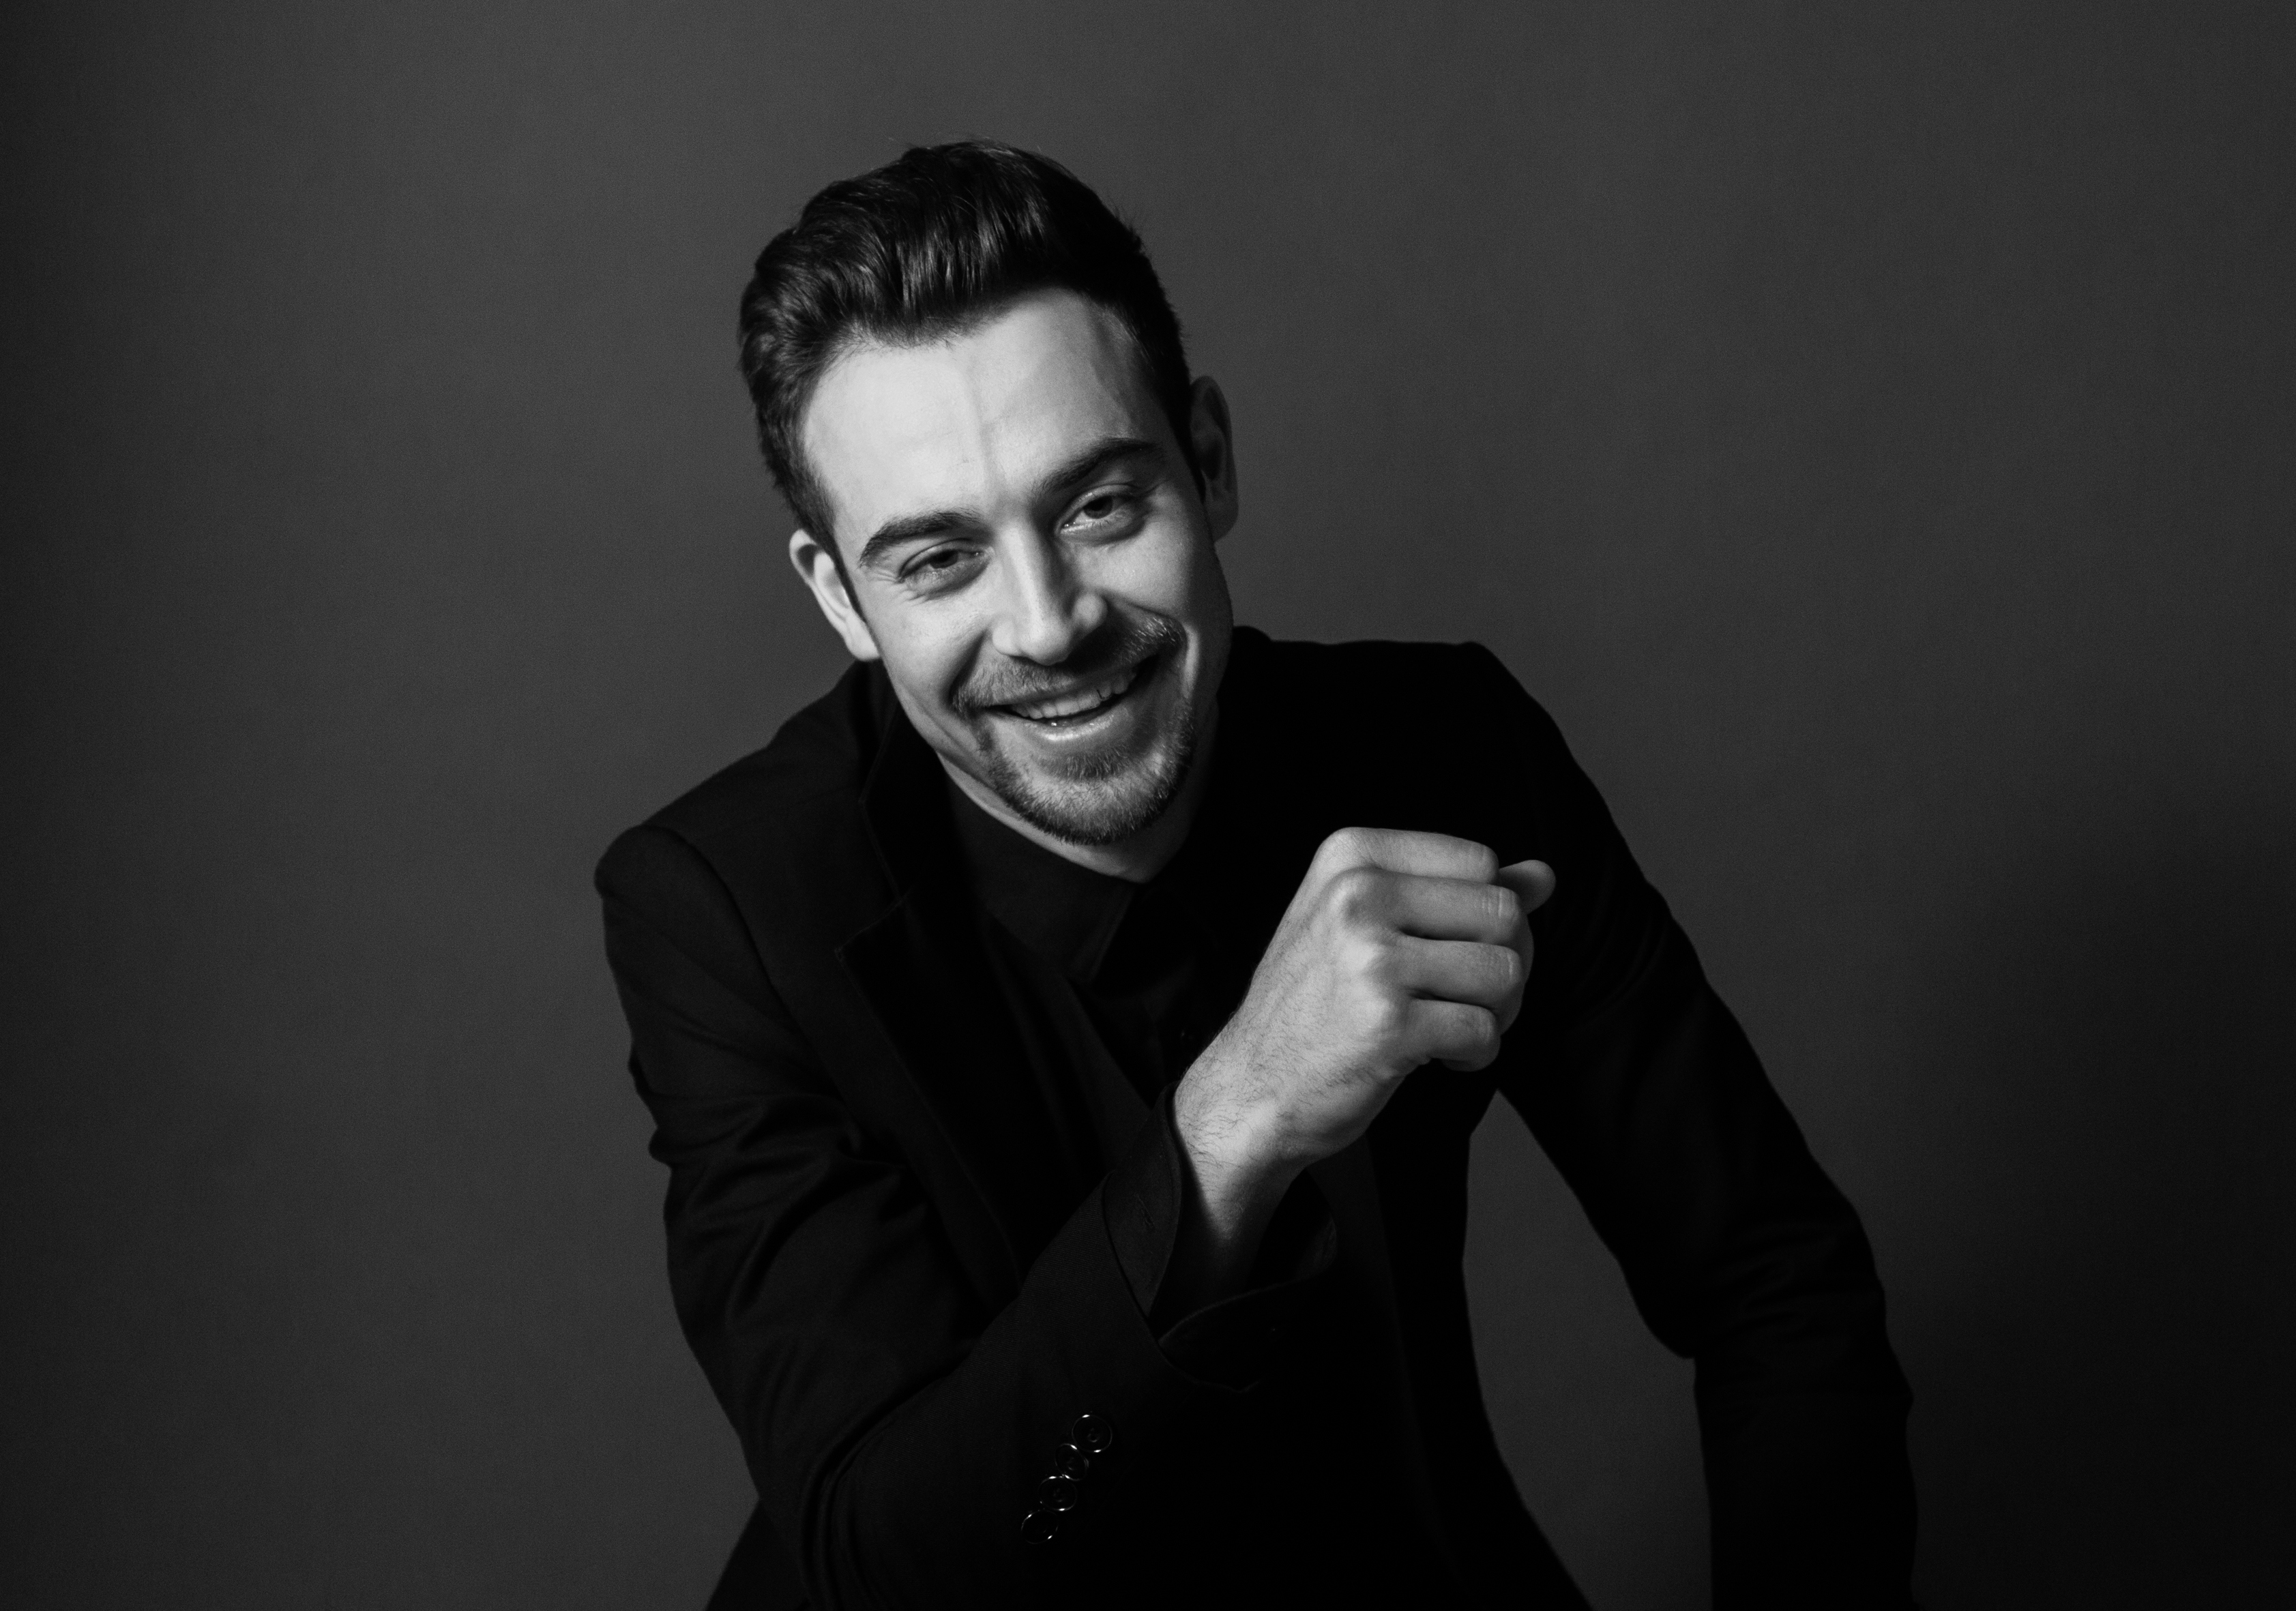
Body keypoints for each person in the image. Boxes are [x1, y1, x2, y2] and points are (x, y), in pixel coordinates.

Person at [597, 140, 1915, 1610]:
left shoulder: (1443, 751)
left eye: (1097, 505)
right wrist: (1229, 1124)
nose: (1044, 624)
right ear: (840, 595)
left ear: (1208, 461)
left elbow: (1770, 1272)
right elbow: (899, 1565)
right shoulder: (727, 909)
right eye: (937, 561)